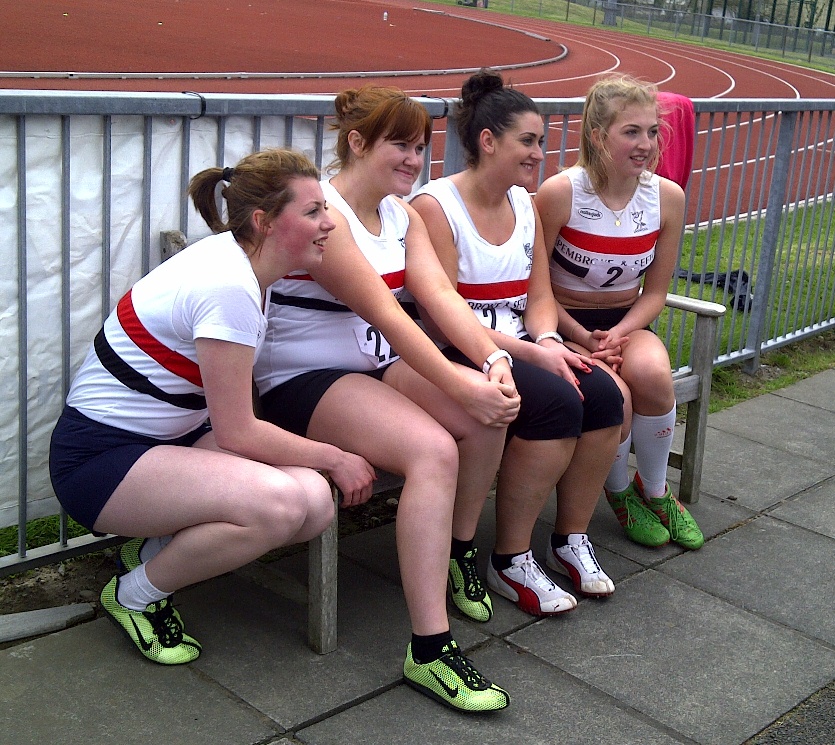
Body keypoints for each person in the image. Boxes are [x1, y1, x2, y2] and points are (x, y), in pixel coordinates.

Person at [48, 148, 373, 666]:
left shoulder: (247, 266)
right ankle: (134, 596)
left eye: (325, 209)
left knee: (314, 502)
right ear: (264, 222)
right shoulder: (229, 285)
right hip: (100, 459)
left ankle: (151, 553)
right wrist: (336, 456)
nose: (329, 223)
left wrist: (321, 465)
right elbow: (239, 431)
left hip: (168, 439)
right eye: (313, 211)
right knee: (282, 505)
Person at [253, 86, 520, 712]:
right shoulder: (324, 214)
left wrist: (493, 361)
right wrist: (460, 381)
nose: (413, 159)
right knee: (434, 451)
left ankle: (456, 551)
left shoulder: (401, 215)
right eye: (400, 145)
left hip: (371, 366)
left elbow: (438, 296)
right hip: (304, 376)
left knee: (486, 418)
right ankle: (429, 648)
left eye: (420, 146)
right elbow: (388, 315)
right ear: (357, 142)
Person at [411, 69, 624, 619]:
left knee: (605, 396)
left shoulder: (524, 204)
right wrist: (535, 352)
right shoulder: (436, 206)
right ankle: (510, 559)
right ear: (488, 141)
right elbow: (446, 317)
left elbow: (539, 295)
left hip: (525, 343)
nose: (539, 153)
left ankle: (570, 539)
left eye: (541, 141)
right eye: (528, 141)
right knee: (556, 402)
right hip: (464, 350)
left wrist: (550, 339)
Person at [534, 75, 705, 550]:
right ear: (597, 135)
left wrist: (620, 333)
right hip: (563, 324)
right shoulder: (560, 193)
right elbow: (536, 286)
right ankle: (619, 493)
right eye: (631, 132)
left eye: (652, 132)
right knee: (618, 398)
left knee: (652, 375)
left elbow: (655, 292)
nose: (646, 144)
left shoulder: (667, 198)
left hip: (625, 322)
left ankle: (656, 491)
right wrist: (579, 335)